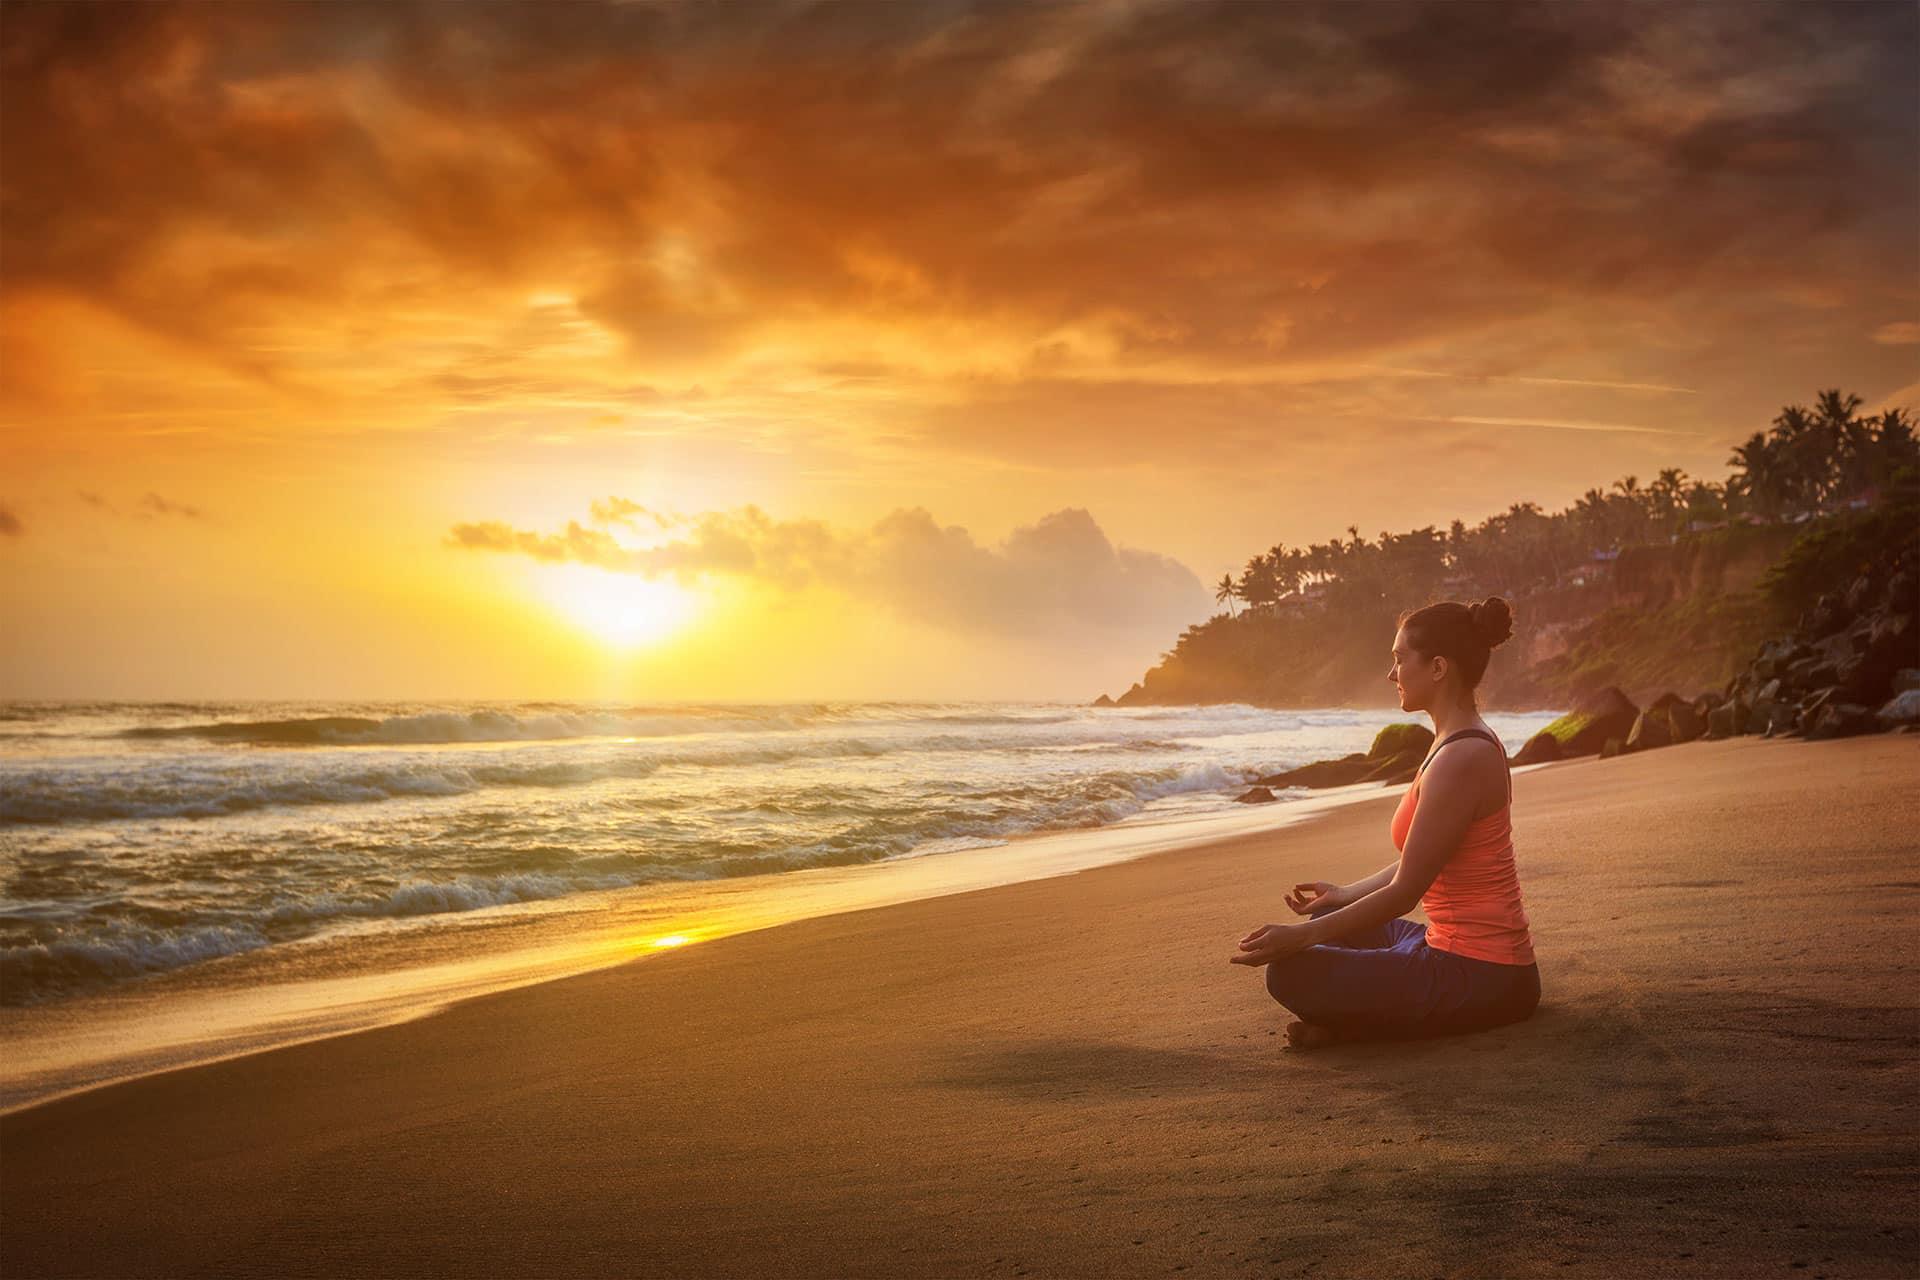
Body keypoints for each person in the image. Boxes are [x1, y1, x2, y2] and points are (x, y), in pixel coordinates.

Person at [1228, 596, 1542, 1050]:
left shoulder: (1462, 757)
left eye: (1399, 660)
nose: (1391, 674)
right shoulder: (1452, 742)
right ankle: (1363, 1018)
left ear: (1438, 668)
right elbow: (1418, 860)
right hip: (1447, 948)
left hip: (1484, 975)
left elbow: (1405, 893)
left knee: (1289, 971)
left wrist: (1299, 938)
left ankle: (1359, 1026)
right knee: (1330, 911)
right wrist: (1344, 894)